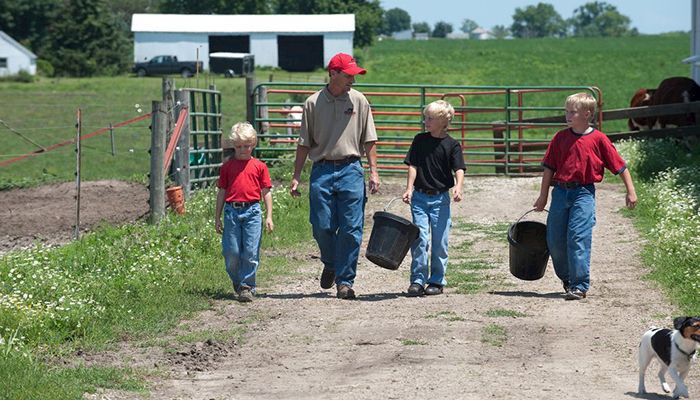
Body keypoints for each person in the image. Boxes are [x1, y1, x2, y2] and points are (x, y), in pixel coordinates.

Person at [289, 53, 380, 300]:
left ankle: (345, 281)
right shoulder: (312, 103)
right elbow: (304, 143)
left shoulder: (360, 101)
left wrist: (373, 171)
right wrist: (297, 176)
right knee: (322, 225)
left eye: (353, 75)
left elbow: (369, 139)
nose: (353, 79)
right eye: (348, 75)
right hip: (322, 169)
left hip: (351, 168)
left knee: (351, 229)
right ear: (333, 74)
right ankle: (330, 262)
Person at [533, 92, 637, 301]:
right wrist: (543, 196)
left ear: (587, 114)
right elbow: (548, 168)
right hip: (560, 193)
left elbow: (620, 166)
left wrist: (631, 191)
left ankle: (580, 285)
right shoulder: (560, 138)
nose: (568, 115)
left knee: (578, 237)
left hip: (583, 193)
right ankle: (568, 278)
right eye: (567, 111)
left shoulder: (599, 139)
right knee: (554, 240)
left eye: (573, 112)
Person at [402, 100, 465, 297]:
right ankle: (418, 280)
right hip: (420, 198)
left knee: (440, 242)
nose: (425, 121)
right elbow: (413, 165)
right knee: (420, 239)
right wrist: (409, 188)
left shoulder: (452, 145)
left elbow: (459, 168)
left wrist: (458, 187)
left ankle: (437, 280)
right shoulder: (420, 140)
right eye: (425, 117)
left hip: (440, 200)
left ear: (442, 121)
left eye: (429, 118)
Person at [216, 122, 274, 302]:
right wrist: (217, 217)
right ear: (233, 146)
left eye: (247, 146)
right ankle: (237, 280)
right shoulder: (227, 167)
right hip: (232, 212)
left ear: (253, 144)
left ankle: (247, 285)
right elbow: (222, 192)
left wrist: (269, 216)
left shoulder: (259, 166)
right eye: (239, 146)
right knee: (231, 252)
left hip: (252, 212)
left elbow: (266, 191)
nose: (243, 150)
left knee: (250, 250)